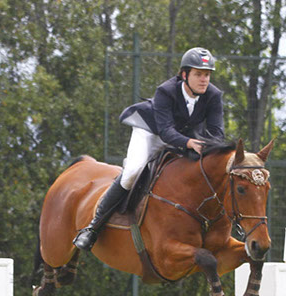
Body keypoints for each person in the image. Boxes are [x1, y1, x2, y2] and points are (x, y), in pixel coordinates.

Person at [73, 47, 225, 251]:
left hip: (185, 137)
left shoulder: (213, 95)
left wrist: (208, 148)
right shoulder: (166, 90)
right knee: (133, 172)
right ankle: (92, 228)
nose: (204, 80)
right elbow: (165, 131)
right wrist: (189, 143)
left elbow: (217, 132)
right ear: (184, 75)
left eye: (207, 74)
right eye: (198, 74)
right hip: (151, 132)